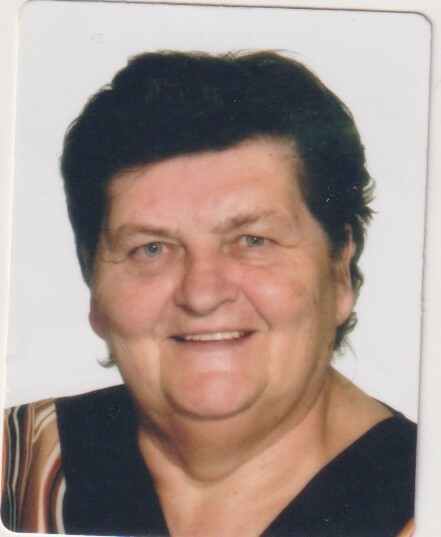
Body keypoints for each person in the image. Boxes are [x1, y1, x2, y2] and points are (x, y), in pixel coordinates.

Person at [1, 50, 416, 537]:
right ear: (93, 283)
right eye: (151, 249)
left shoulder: (422, 498)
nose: (201, 295)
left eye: (253, 241)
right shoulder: (21, 462)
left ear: (339, 270)